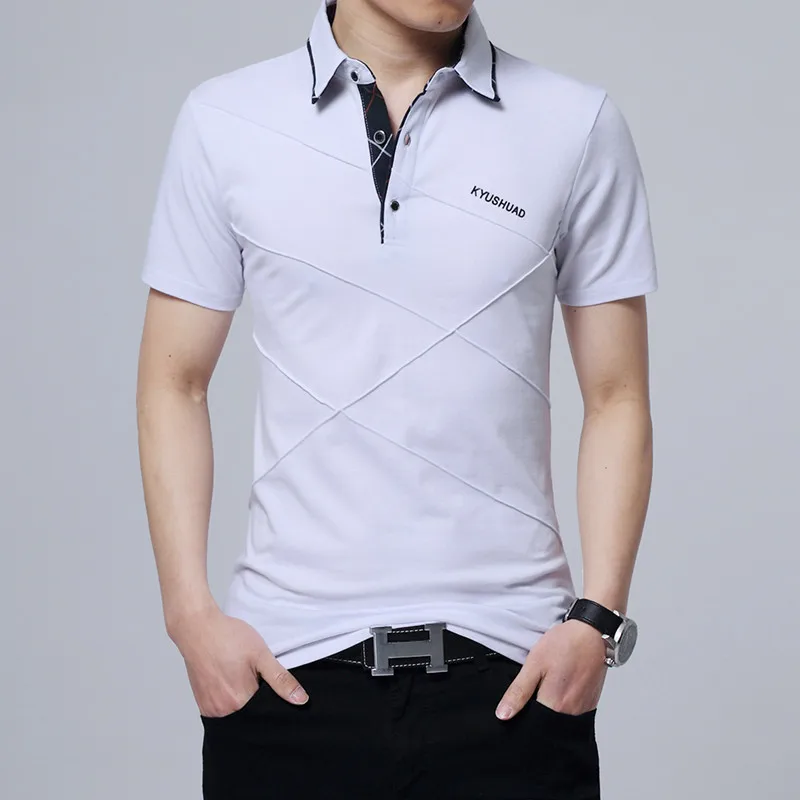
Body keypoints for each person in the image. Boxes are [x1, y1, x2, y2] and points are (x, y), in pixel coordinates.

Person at [136, 0, 657, 796]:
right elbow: (174, 382)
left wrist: (598, 619)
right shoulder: (225, 121)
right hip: (286, 679)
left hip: (515, 679)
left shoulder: (575, 123)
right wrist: (189, 617)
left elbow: (617, 395)